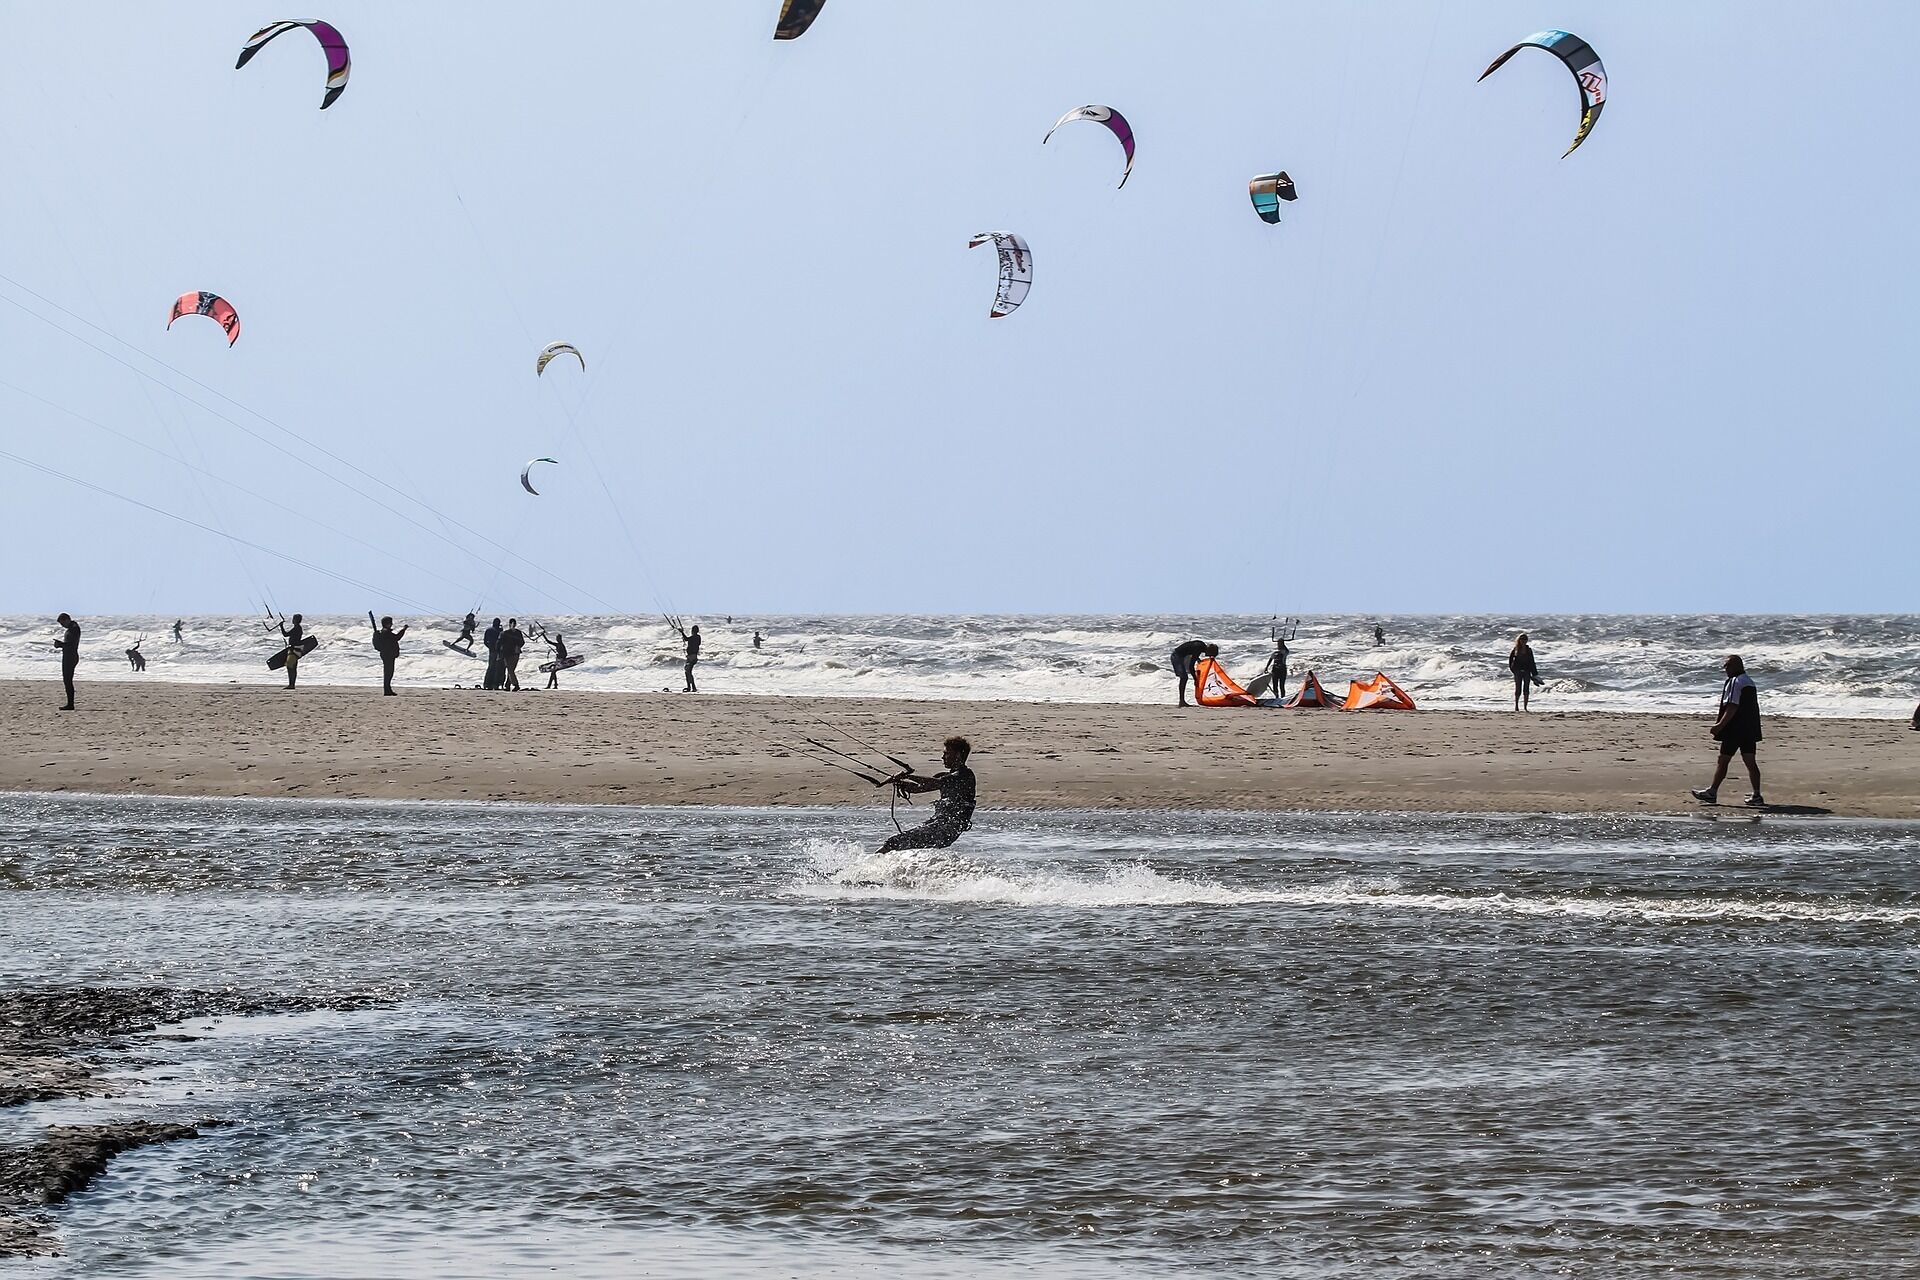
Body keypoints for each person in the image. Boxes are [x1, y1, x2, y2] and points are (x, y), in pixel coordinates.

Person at [877, 737, 977, 854]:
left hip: (947, 830)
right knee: (896, 843)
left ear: (958, 755)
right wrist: (899, 782)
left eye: (947, 753)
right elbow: (918, 788)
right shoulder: (945, 776)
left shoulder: (964, 776)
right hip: (938, 826)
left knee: (892, 843)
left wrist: (907, 776)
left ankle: (870, 863)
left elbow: (937, 783)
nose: (943, 757)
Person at [1692, 655, 1765, 807]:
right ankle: (1757, 794)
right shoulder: (1749, 681)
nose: (1725, 669)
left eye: (1727, 666)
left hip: (1735, 729)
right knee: (1750, 761)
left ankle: (1712, 792)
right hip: (1749, 729)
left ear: (1735, 666)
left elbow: (1732, 706)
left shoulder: (1735, 681)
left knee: (1723, 760)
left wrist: (1719, 725)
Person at [1169, 639, 1218, 707]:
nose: (1209, 656)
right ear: (1209, 651)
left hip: (1182, 656)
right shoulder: (1199, 648)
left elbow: (1191, 649)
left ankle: (1182, 701)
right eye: (1211, 655)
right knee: (1184, 678)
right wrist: (1195, 679)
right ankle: (1181, 701)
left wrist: (1197, 658)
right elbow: (1191, 666)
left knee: (1184, 677)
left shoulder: (1201, 645)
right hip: (1176, 656)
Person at [370, 613, 408, 696]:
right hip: (388, 654)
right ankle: (387, 690)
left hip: (386, 654)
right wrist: (403, 630)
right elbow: (397, 637)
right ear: (387, 624)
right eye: (390, 623)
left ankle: (388, 690)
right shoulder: (386, 632)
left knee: (388, 672)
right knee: (388, 673)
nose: (392, 624)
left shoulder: (383, 632)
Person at [52, 613, 80, 711]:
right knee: (67, 680)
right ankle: (70, 703)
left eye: (62, 623)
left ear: (67, 620)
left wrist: (60, 644)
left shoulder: (74, 629)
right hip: (69, 656)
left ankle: (70, 704)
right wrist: (61, 644)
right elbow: (69, 644)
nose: (62, 626)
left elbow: (71, 644)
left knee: (68, 680)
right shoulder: (72, 628)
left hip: (71, 656)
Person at [1508, 633, 1540, 712]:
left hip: (1527, 671)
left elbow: (1532, 662)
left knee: (1526, 689)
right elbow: (1510, 661)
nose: (1523, 641)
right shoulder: (1515, 649)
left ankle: (1525, 707)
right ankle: (1516, 706)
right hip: (1518, 671)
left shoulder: (1529, 650)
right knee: (1518, 689)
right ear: (1519, 640)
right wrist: (1513, 670)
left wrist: (1535, 674)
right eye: (1522, 639)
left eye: (1525, 639)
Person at [278, 613, 305, 690]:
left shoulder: (297, 628)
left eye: (293, 619)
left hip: (294, 649)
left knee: (291, 667)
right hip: (295, 649)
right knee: (292, 667)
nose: (292, 620)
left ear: (295, 620)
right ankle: (291, 684)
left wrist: (281, 626)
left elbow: (285, 634)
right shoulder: (298, 628)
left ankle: (291, 685)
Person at [501, 618, 526, 692]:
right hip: (514, 653)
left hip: (509, 653)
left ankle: (516, 685)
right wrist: (518, 646)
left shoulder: (506, 633)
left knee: (510, 670)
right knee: (511, 670)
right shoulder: (517, 632)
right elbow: (522, 642)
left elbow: (500, 643)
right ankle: (507, 685)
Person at [482, 617, 504, 691]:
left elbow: (485, 641)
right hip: (498, 651)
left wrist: (489, 647)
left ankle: (487, 684)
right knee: (497, 668)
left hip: (492, 650)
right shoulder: (499, 631)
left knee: (491, 667)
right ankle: (495, 684)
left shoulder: (489, 630)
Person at [683, 624, 702, 692]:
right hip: (693, 656)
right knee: (688, 672)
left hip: (692, 657)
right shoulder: (698, 637)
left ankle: (691, 687)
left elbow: (686, 639)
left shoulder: (695, 637)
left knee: (688, 671)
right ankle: (691, 687)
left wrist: (682, 632)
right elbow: (688, 639)